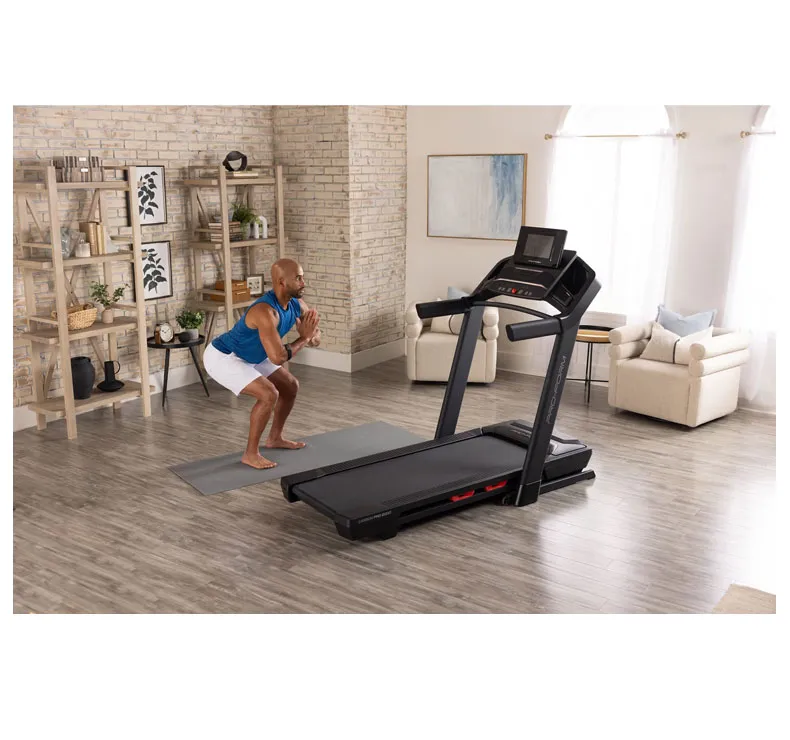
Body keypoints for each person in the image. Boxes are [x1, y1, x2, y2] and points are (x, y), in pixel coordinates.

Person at [203, 258, 321, 470]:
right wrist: (304, 338)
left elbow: (315, 337)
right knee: (268, 394)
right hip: (224, 356)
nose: (303, 283)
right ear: (282, 282)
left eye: (302, 277)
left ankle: (275, 438)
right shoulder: (265, 312)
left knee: (290, 386)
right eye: (298, 278)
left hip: (253, 356)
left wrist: (311, 336)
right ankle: (250, 454)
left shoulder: (297, 305)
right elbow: (278, 357)